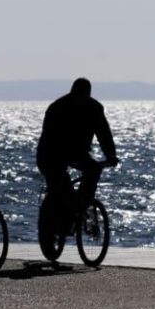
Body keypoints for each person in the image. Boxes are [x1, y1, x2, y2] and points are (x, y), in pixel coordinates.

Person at [36, 78, 118, 215]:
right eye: (77, 97)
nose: (79, 101)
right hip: (51, 153)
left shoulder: (95, 108)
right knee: (58, 185)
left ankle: (83, 205)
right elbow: (48, 138)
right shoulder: (57, 107)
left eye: (83, 97)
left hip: (78, 152)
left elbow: (104, 133)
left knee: (94, 169)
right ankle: (55, 219)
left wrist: (111, 154)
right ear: (72, 93)